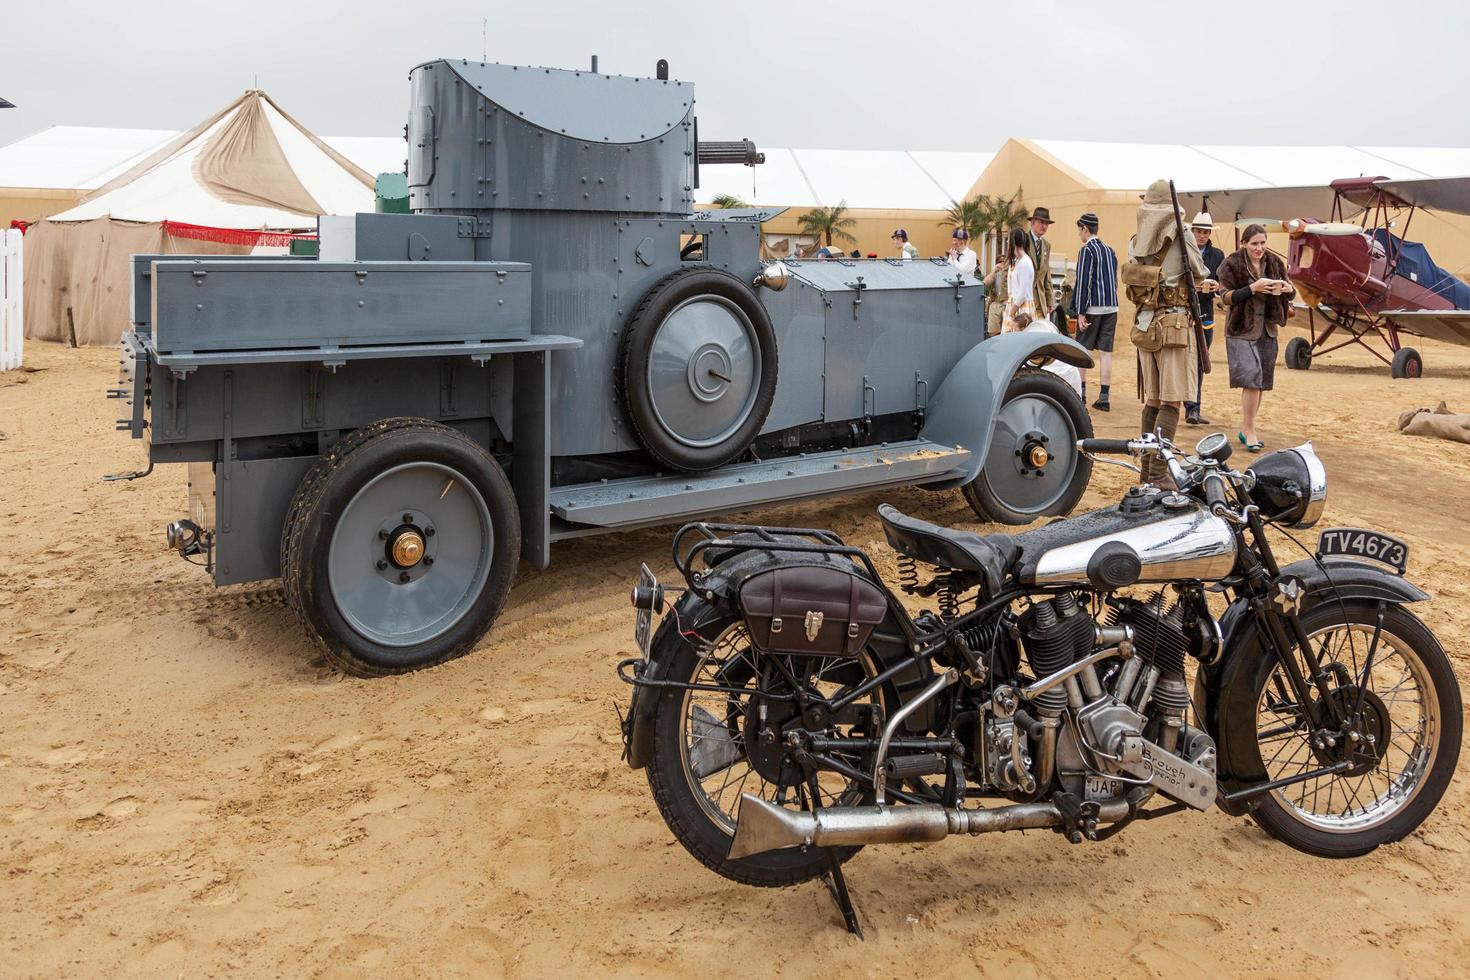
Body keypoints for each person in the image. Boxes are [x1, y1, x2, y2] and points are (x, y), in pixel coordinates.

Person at [1127, 180, 1217, 484]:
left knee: (1152, 400)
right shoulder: (1183, 234)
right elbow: (1200, 270)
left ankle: (1146, 470)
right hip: (1175, 326)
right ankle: (1159, 472)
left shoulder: (1136, 240)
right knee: (1171, 401)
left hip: (1145, 324)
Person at [1217, 223, 1294, 453]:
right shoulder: (1231, 264)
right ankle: (1250, 430)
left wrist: (1286, 289)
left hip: (1268, 328)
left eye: (1262, 243)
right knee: (1251, 377)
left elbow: (1291, 292)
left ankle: (1246, 427)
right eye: (1254, 244)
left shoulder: (1275, 263)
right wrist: (1252, 288)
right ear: (1244, 243)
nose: (1259, 248)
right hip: (1241, 329)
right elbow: (1225, 298)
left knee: (1260, 381)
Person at [1072, 212, 1119, 411]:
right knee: (1106, 353)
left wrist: (1081, 312)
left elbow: (1083, 282)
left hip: (1093, 308)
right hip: (1112, 307)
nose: (1079, 234)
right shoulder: (1110, 251)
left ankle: (1080, 394)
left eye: (1079, 229)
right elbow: (1114, 282)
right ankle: (1104, 397)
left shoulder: (1086, 251)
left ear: (1085, 228)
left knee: (1081, 350)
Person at [1184, 212, 1225, 425]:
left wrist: (1218, 287)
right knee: (1185, 361)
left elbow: (1223, 282)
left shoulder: (1218, 255)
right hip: (1185, 312)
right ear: (1193, 232)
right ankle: (1189, 405)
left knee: (1200, 361)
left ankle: (1194, 408)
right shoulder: (1183, 251)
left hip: (1206, 313)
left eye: (1205, 232)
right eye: (1199, 231)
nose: (1202, 235)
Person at [1002, 227, 1036, 332]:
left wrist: (1012, 311)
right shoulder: (1016, 260)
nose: (1007, 242)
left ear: (1013, 242)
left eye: (1008, 240)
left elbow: (1023, 293)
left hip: (1021, 308)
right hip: (1014, 304)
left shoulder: (1025, 263)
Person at [1027, 206, 1055, 317]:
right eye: (1041, 222)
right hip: (1024, 300)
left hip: (1040, 301)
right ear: (1032, 222)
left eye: (1046, 224)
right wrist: (1005, 298)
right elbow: (1007, 268)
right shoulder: (1022, 239)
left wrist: (1050, 301)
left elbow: (1046, 275)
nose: (1044, 226)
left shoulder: (1046, 245)